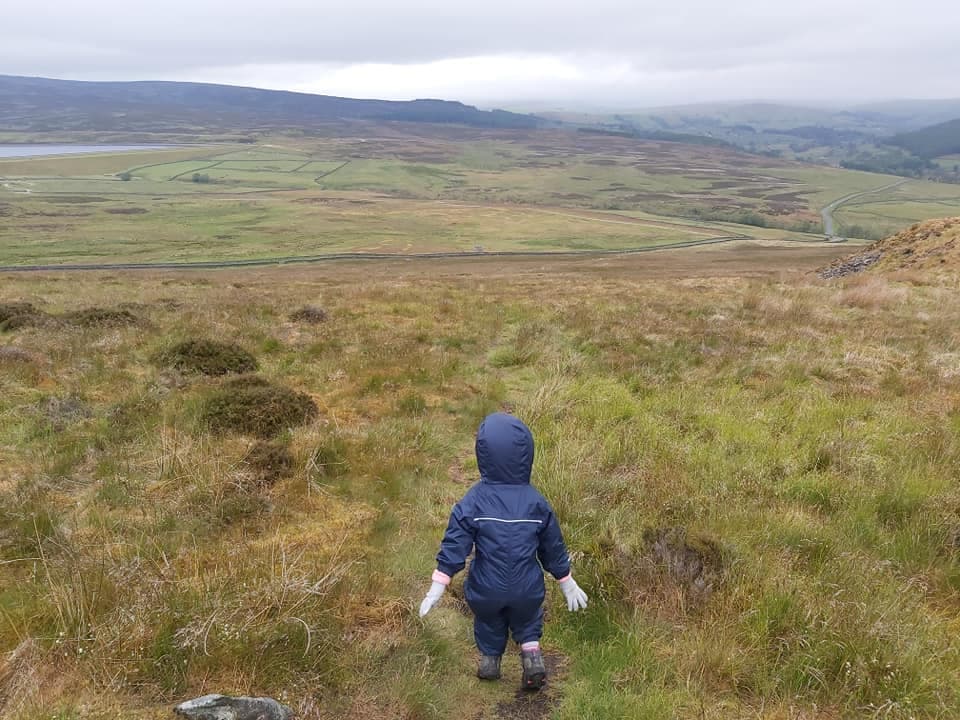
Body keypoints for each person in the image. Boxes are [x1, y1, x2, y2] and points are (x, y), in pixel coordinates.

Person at [418, 412, 588, 690]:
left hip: (486, 586)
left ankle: (490, 661)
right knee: (528, 618)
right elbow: (552, 547)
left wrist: (439, 583)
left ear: (483, 453)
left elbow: (455, 544)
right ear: (526, 453)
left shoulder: (473, 500)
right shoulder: (537, 502)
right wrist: (566, 581)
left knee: (488, 619)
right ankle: (532, 658)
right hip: (527, 587)